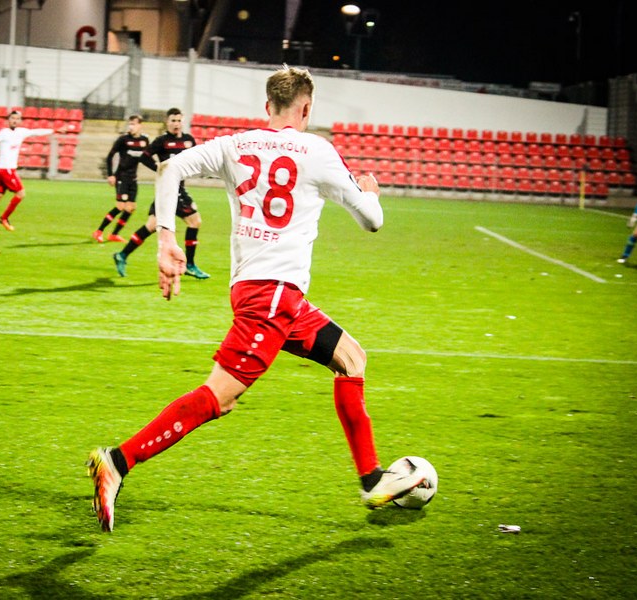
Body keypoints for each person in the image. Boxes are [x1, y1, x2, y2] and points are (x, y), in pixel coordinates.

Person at [87, 66, 425, 533]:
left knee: (351, 358)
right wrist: (371, 194)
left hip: (261, 292)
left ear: (268, 107)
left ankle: (371, 479)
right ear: (307, 109)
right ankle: (117, 461)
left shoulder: (236, 145)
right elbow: (372, 221)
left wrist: (166, 239)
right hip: (273, 296)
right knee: (219, 396)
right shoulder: (318, 150)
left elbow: (171, 168)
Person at [112, 108, 209, 279]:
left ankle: (122, 254)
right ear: (167, 122)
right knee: (194, 221)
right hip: (170, 190)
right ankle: (190, 265)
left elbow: (197, 158)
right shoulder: (162, 141)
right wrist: (158, 168)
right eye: (173, 120)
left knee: (152, 225)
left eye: (179, 120)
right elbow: (144, 157)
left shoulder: (188, 140)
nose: (176, 124)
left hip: (177, 189)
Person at [0, 110, 54, 232]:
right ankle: (4, 218)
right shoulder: (3, 132)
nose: (15, 120)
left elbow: (36, 132)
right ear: (8, 120)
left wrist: (54, 131)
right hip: (6, 170)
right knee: (21, 194)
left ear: (20, 120)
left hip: (4, 170)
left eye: (17, 118)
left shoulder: (21, 132)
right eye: (12, 118)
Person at [92, 114, 149, 243]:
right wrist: (110, 174)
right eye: (130, 124)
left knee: (131, 207)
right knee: (120, 206)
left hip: (133, 179)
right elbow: (110, 156)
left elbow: (147, 156)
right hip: (121, 177)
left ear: (140, 125)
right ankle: (99, 231)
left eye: (134, 124)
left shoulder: (144, 140)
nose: (131, 126)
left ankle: (114, 234)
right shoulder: (123, 139)